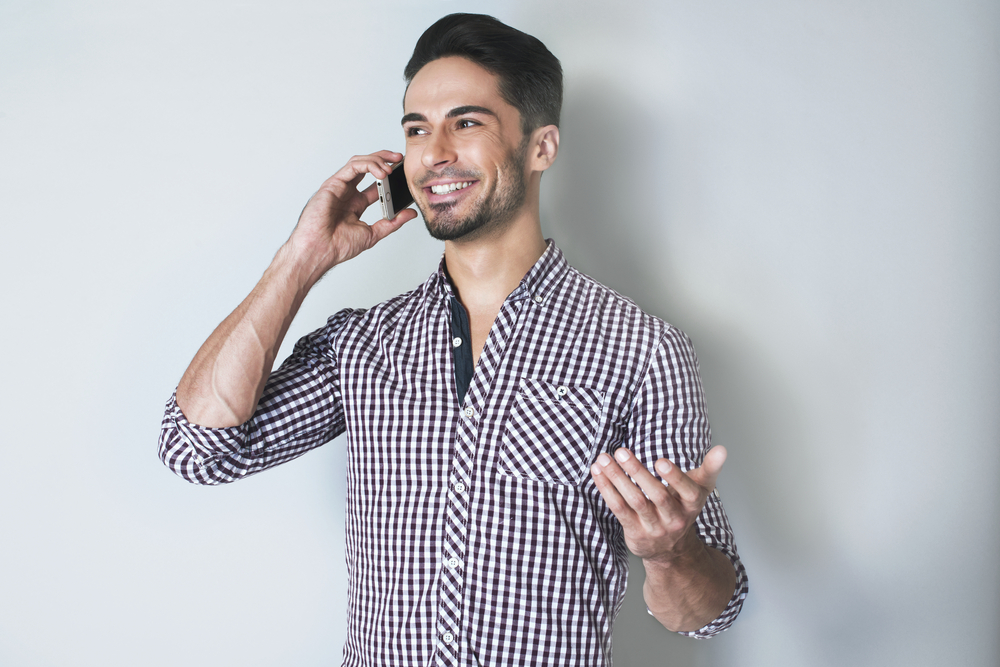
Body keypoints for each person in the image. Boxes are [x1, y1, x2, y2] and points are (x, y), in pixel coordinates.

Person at [159, 13, 748, 666]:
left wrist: (670, 552)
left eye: (466, 122)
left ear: (540, 147)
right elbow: (196, 448)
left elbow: (709, 612)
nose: (434, 151)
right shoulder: (362, 345)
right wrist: (301, 259)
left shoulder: (642, 350)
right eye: (417, 128)